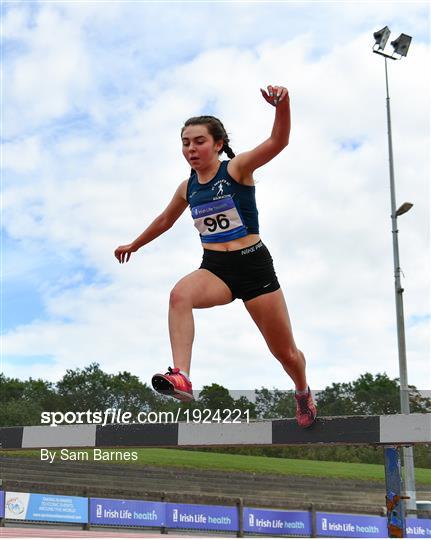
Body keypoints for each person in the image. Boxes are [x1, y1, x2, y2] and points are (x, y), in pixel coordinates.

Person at [114, 85, 317, 428]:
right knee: (180, 294)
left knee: (286, 354)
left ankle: (302, 389)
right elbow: (165, 220)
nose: (191, 149)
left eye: (199, 141)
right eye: (185, 143)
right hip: (217, 270)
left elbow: (278, 142)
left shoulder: (236, 170)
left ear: (218, 144)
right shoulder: (187, 187)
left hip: (254, 267)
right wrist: (135, 244)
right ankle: (182, 377)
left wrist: (283, 106)